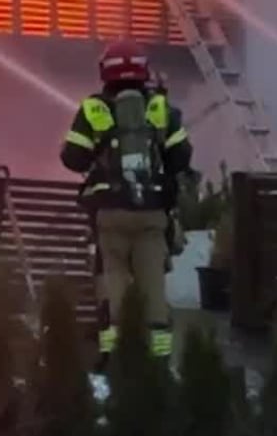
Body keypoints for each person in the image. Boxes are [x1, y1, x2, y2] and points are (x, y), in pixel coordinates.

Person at [60, 39, 194, 358]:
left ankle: (113, 357)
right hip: (152, 213)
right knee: (153, 289)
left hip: (110, 214)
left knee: (113, 282)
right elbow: (181, 158)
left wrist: (101, 149)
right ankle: (160, 358)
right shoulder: (161, 109)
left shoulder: (94, 109)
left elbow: (72, 159)